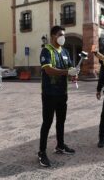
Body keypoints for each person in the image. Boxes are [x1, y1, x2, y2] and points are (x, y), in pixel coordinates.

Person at [38, 25, 79, 167]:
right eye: (61, 34)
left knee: (61, 121)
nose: (63, 37)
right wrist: (67, 73)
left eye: (64, 35)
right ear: (53, 36)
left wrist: (74, 75)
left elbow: (70, 68)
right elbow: (48, 70)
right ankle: (42, 152)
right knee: (47, 123)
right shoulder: (46, 50)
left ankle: (60, 146)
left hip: (63, 93)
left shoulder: (66, 51)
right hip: (49, 94)